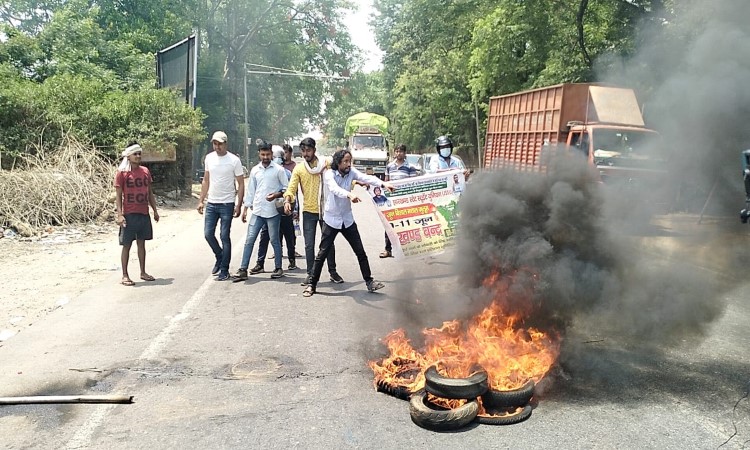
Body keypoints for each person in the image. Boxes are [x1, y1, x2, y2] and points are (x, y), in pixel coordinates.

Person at [302, 149, 395, 298]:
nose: (348, 164)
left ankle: (369, 282)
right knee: (322, 253)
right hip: (331, 220)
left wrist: (383, 184)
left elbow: (367, 178)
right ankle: (312, 285)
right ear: (338, 162)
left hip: (347, 220)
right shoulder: (329, 174)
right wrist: (349, 194)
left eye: (349, 161)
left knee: (360, 252)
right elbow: (334, 189)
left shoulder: (351, 172)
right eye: (345, 161)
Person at [282, 137, 344, 286]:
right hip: (309, 211)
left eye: (308, 150)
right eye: (303, 151)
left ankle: (333, 272)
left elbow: (341, 176)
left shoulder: (326, 164)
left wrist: (355, 183)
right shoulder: (299, 168)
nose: (305, 154)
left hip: (326, 210)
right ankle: (310, 274)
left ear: (314, 150)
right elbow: (291, 187)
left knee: (327, 244)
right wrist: (287, 200)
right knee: (309, 245)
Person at [232, 140, 288, 282]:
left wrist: (276, 195)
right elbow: (251, 191)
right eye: (263, 154)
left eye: (268, 154)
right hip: (257, 211)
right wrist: (245, 209)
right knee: (250, 240)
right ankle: (243, 269)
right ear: (259, 154)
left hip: (273, 212)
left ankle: (278, 267)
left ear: (271, 154)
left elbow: (286, 189)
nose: (265, 157)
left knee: (275, 240)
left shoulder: (278, 170)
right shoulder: (255, 170)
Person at [198, 131, 245, 281]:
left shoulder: (234, 160)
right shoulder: (209, 158)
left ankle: (224, 269)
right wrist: (201, 200)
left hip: (227, 203)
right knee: (208, 234)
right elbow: (206, 180)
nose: (217, 147)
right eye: (215, 144)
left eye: (220, 144)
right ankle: (219, 255)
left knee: (224, 235)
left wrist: (238, 204)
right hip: (212, 202)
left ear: (226, 144)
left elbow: (241, 183)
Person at [114, 143, 160, 286]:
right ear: (129, 156)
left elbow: (149, 192)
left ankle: (143, 272)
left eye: (140, 154)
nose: (138, 156)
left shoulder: (145, 171)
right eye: (135, 154)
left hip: (143, 213)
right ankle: (125, 275)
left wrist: (155, 210)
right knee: (126, 244)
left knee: (142, 243)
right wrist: (120, 215)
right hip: (129, 213)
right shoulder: (122, 173)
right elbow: (118, 195)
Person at [255, 145, 299, 271]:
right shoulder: (265, 171)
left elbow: (292, 192)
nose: (276, 159)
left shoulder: (287, 173)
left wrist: (294, 209)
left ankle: (291, 260)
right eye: (275, 157)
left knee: (288, 235)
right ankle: (260, 263)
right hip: (269, 210)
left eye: (278, 157)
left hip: (284, 209)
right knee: (266, 236)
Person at [380, 143, 418, 258]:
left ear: (404, 153)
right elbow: (386, 182)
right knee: (389, 225)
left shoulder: (410, 167)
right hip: (392, 201)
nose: (398, 153)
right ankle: (388, 249)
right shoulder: (389, 166)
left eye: (401, 151)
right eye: (396, 151)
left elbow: (413, 183)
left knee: (406, 225)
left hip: (405, 201)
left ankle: (407, 249)